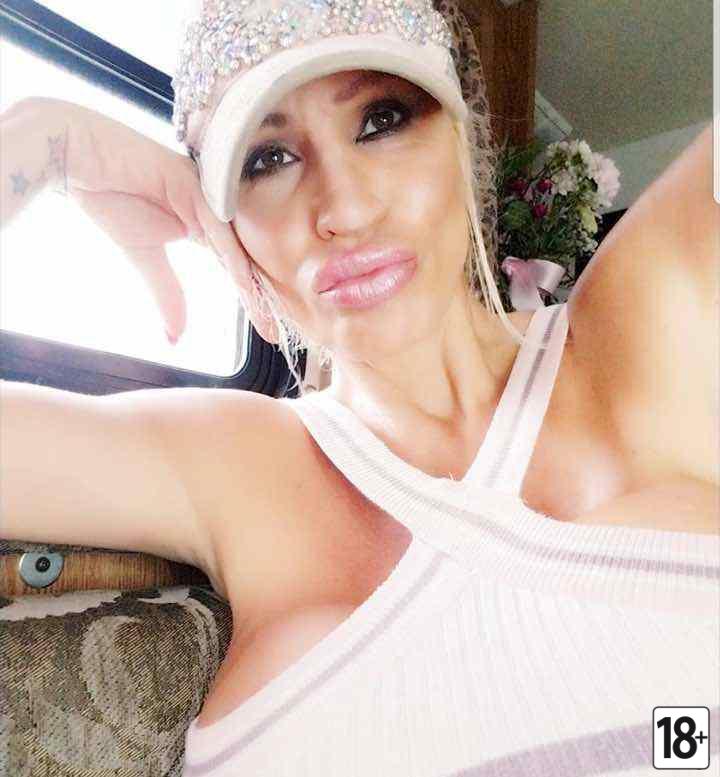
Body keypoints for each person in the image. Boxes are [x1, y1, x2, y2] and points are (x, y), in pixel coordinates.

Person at [0, 0, 717, 773]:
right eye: (267, 160)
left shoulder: (647, 322)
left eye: (382, 119)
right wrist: (43, 140)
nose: (343, 208)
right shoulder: (230, 460)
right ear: (226, 225)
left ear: (463, 136)